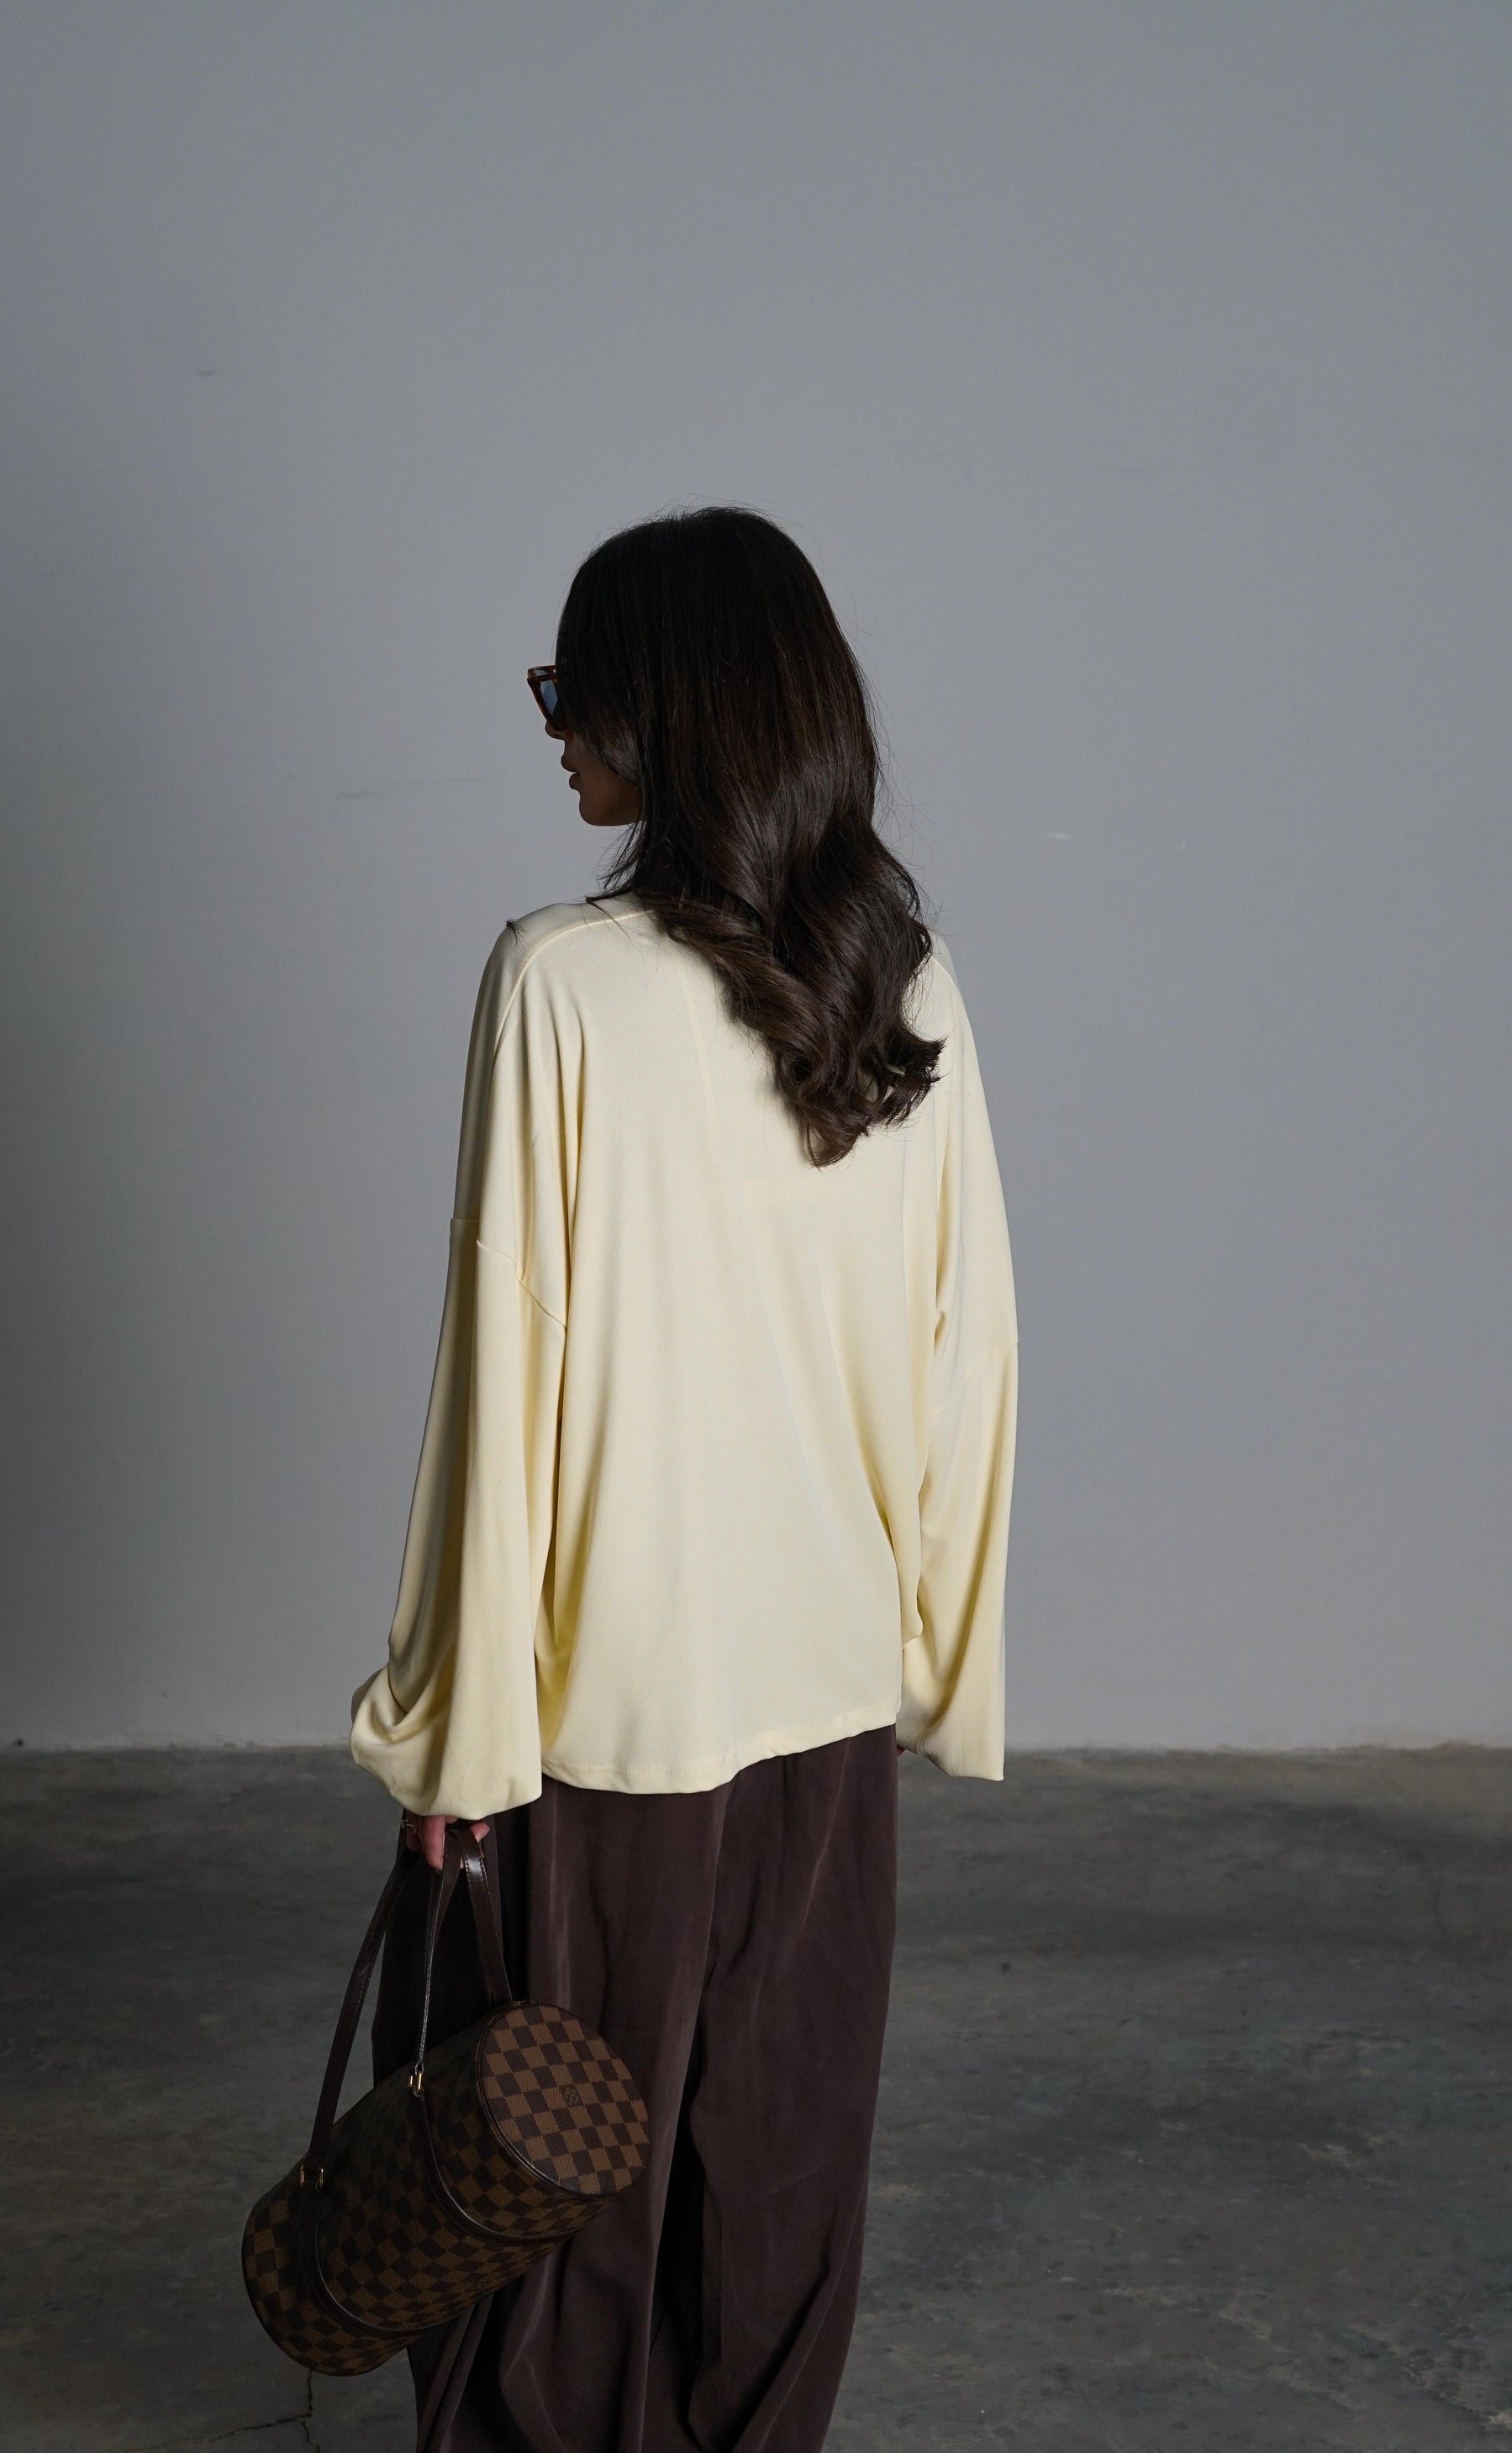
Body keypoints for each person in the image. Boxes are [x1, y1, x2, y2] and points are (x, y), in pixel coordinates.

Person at [349, 505, 1017, 2453]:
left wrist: (457, 1732)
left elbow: (504, 1382)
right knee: (780, 2154)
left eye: (571, 688)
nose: (551, 729)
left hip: (606, 1710)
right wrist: (932, 1649)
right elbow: (964, 1354)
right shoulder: (903, 978)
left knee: (550, 2166)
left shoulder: (561, 982)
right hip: (827, 1684)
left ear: (670, 707)